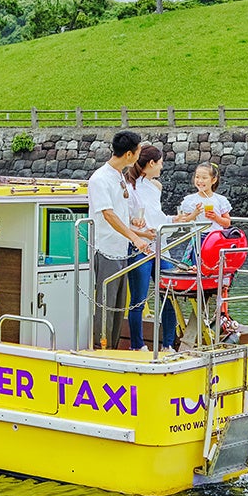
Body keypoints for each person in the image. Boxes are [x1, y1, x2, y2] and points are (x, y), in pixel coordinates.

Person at [87, 130, 151, 349]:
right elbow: (108, 214)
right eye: (139, 151)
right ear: (129, 154)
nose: (140, 155)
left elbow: (121, 216)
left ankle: (112, 347)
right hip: (104, 250)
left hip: (120, 249)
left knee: (117, 305)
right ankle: (99, 348)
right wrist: (135, 238)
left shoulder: (119, 176)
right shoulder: (100, 179)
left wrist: (141, 232)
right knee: (105, 304)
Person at [124, 144, 167, 351]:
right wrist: (140, 233)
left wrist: (180, 218)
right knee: (138, 299)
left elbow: (157, 217)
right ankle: (137, 345)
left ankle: (168, 343)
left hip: (161, 245)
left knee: (169, 294)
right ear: (151, 163)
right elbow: (124, 221)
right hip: (139, 247)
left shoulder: (155, 187)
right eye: (160, 163)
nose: (161, 168)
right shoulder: (127, 187)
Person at [175, 161, 232, 230]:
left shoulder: (220, 200)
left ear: (213, 180)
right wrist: (195, 213)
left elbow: (227, 223)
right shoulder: (190, 200)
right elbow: (184, 222)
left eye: (204, 178)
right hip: (197, 236)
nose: (200, 181)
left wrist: (216, 217)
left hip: (215, 237)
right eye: (197, 177)